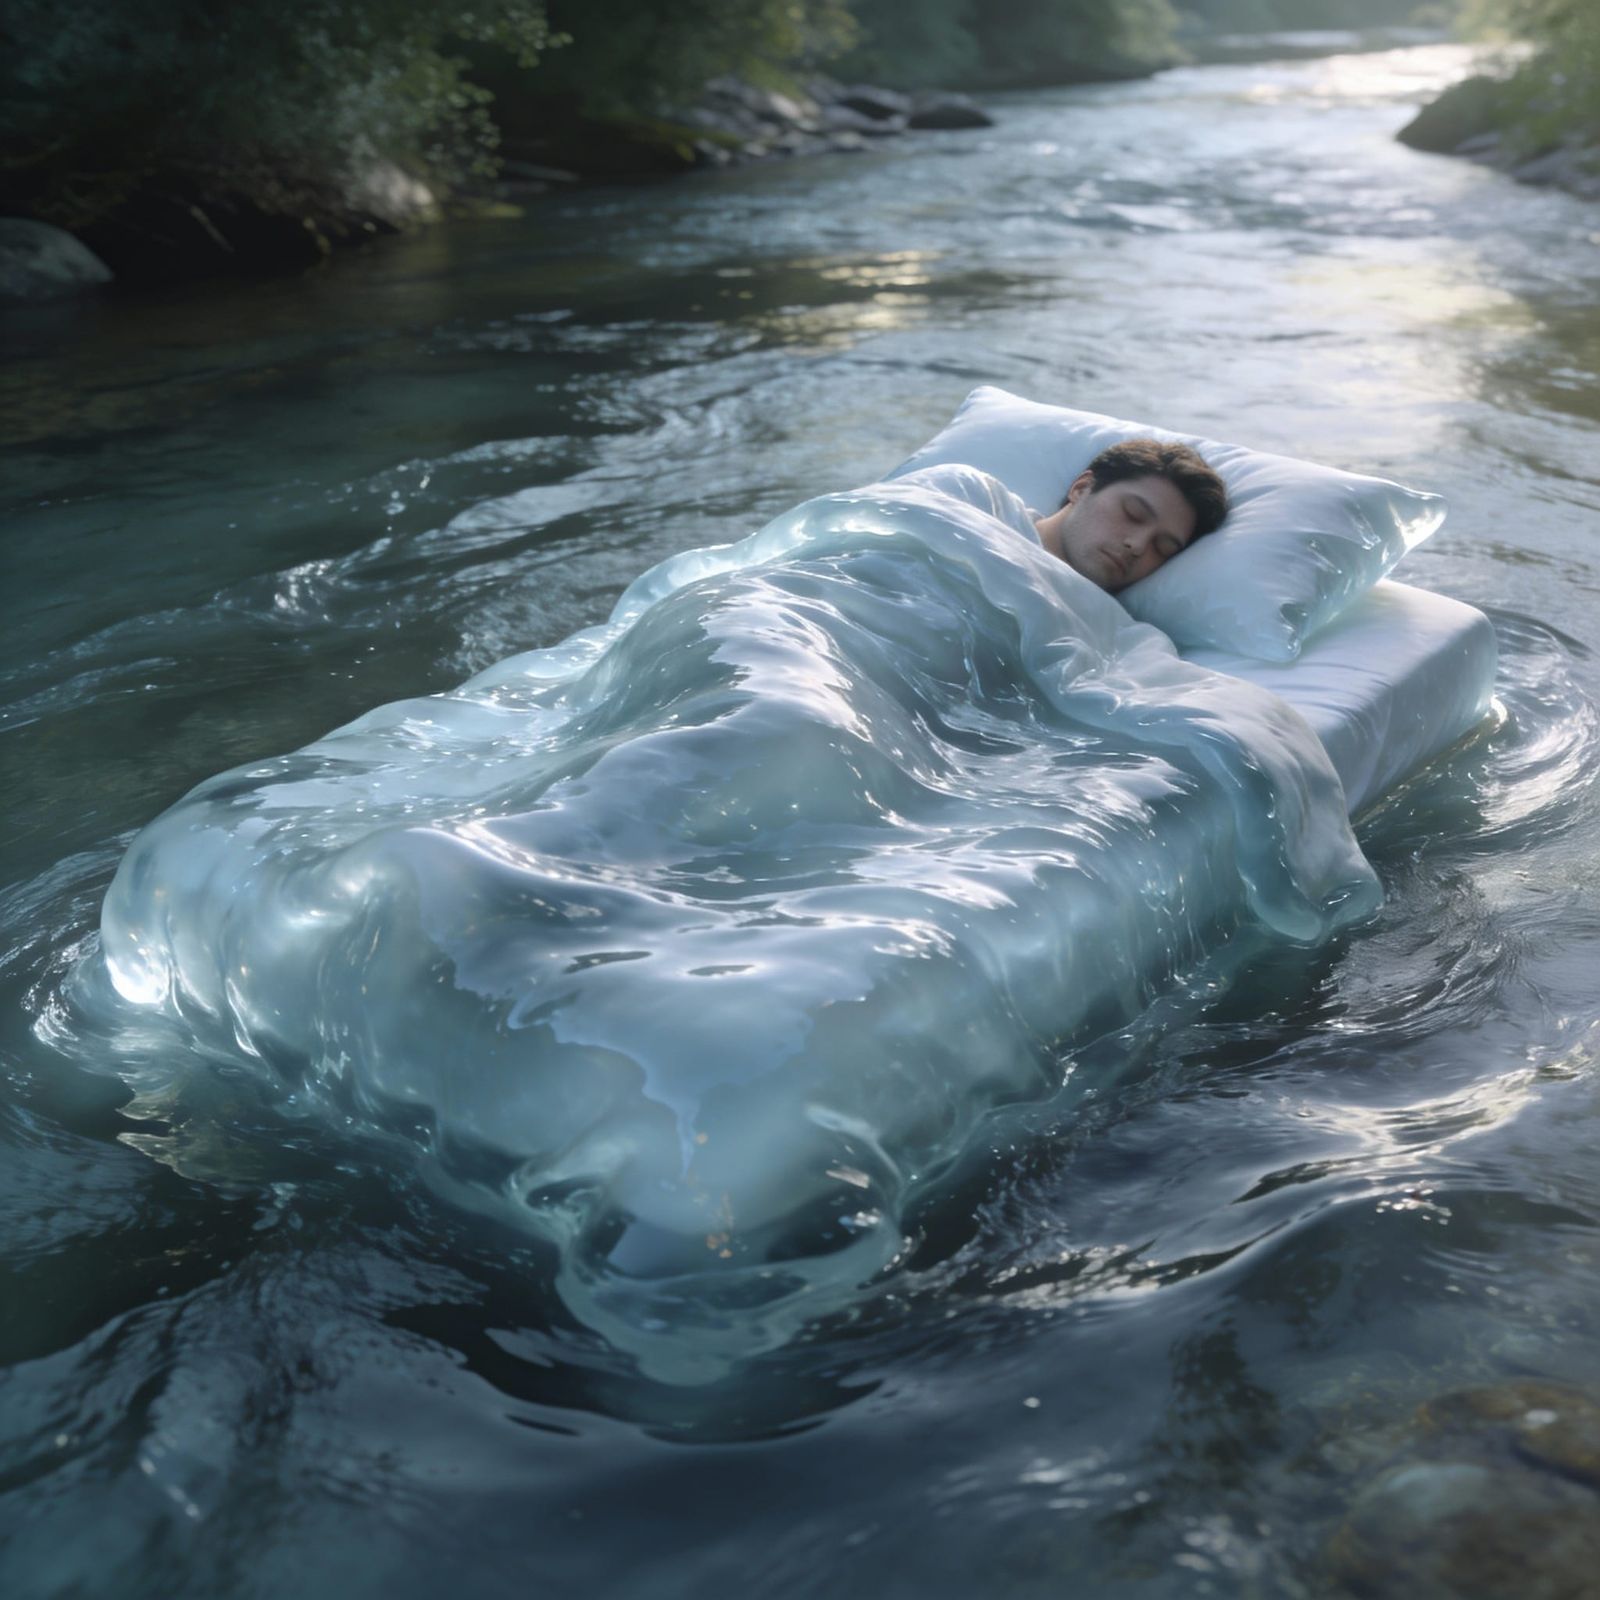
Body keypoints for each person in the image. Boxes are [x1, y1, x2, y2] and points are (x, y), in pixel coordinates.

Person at [1033, 439, 1228, 593]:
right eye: (1133, 514)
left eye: (1162, 548)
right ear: (1082, 488)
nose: (1138, 545)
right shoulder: (1002, 516)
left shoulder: (1126, 639)